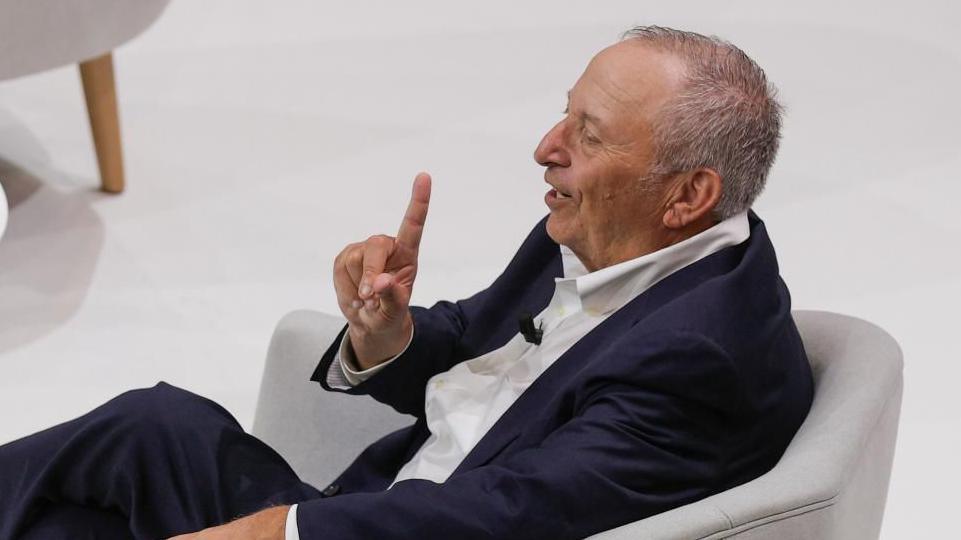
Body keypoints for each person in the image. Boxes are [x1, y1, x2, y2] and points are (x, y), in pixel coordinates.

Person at [0, 26, 812, 540]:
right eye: (565, 114)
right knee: (148, 431)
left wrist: (277, 531)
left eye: (586, 135)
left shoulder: (703, 361)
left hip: (416, 528)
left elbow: (510, 514)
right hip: (380, 504)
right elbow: (481, 345)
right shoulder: (609, 227)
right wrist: (386, 337)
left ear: (688, 195)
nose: (544, 146)